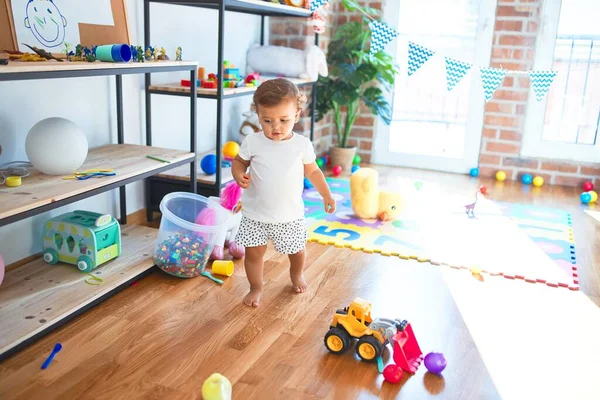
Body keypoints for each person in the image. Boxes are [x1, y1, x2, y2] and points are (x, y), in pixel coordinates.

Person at [232, 78, 335, 307]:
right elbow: (238, 162)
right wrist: (239, 175)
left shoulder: (301, 145)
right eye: (266, 120)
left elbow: (314, 172)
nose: (275, 127)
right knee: (254, 254)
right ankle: (256, 287)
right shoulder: (253, 141)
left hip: (289, 214)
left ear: (296, 115)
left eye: (283, 120)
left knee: (297, 250)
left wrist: (326, 195)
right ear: (257, 115)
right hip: (256, 214)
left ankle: (296, 274)